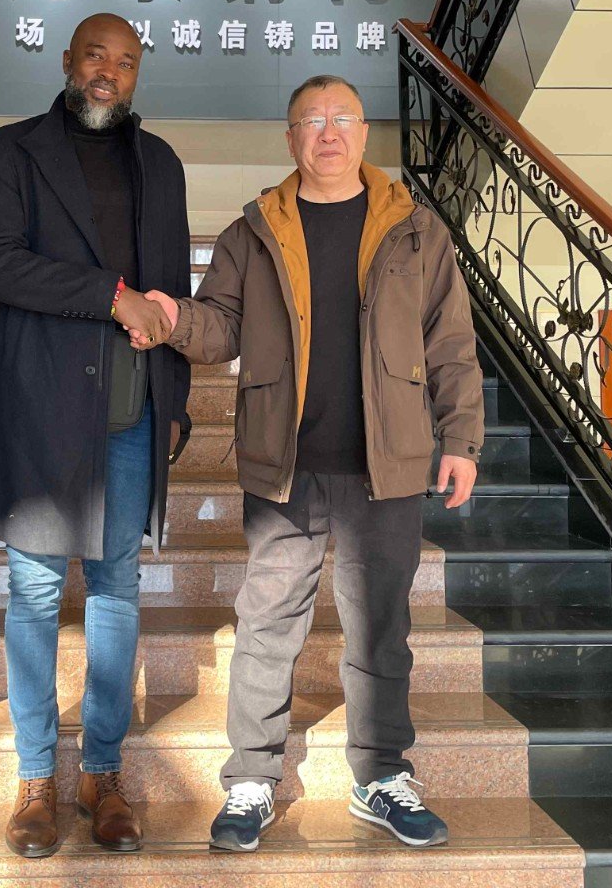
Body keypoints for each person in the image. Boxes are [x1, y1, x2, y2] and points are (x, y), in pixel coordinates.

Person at [131, 75, 483, 853]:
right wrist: (173, 318)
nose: (327, 133)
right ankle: (252, 781)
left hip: (386, 466)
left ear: (364, 133)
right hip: (284, 461)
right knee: (266, 625)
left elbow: (452, 345)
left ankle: (381, 775)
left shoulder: (416, 229)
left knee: (381, 627)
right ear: (290, 138)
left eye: (341, 119)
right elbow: (221, 328)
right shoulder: (254, 230)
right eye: (310, 121)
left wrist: (461, 441)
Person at [0, 13, 192, 857]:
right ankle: (35, 778)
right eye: (96, 55)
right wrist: (107, 294)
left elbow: (171, 289)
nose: (108, 72)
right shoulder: (10, 152)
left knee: (117, 587)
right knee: (32, 593)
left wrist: (176, 402)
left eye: (125, 62)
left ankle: (102, 772)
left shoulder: (159, 163)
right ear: (67, 60)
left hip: (131, 411)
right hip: (39, 406)